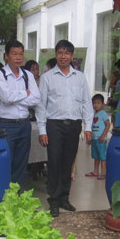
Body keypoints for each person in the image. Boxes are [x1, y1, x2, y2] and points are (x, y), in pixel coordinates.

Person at [36, 39, 93, 217]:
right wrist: (42, 130)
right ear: (56, 55)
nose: (63, 56)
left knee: (68, 163)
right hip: (54, 125)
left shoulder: (80, 77)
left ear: (72, 56)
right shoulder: (47, 78)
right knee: (54, 162)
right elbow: (41, 106)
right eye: (60, 52)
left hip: (73, 126)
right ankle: (53, 200)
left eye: (67, 53)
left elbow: (86, 103)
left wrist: (88, 127)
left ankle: (64, 198)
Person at [0, 40, 40, 187]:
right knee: (4, 163)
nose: (18, 57)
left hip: (24, 124)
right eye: (14, 54)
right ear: (6, 56)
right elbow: (6, 97)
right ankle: (2, 196)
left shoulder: (28, 75)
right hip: (5, 125)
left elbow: (36, 98)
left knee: (21, 164)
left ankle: (16, 196)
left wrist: (15, 98)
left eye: (20, 54)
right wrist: (25, 93)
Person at [85, 94, 110, 180]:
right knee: (96, 156)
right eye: (94, 103)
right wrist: (90, 138)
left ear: (102, 104)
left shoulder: (103, 114)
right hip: (94, 139)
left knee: (102, 157)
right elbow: (91, 127)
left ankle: (103, 173)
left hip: (101, 140)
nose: (95, 105)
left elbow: (108, 125)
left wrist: (103, 136)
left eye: (98, 103)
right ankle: (95, 171)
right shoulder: (93, 114)